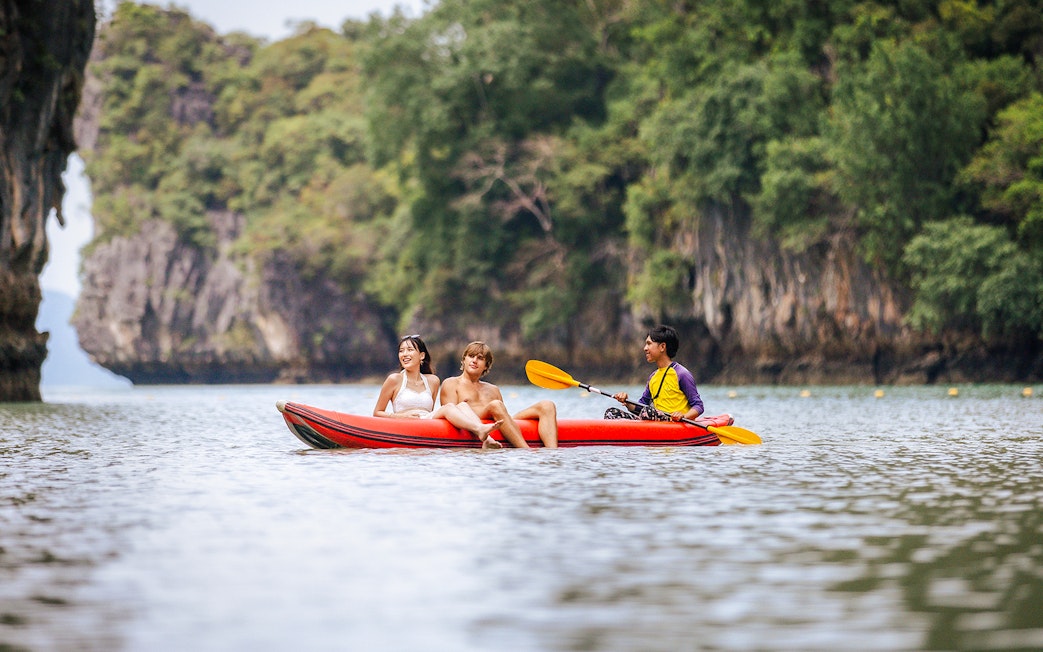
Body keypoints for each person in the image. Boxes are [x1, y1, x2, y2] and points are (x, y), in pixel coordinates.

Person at [373, 335, 503, 449]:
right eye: (401, 351)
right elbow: (377, 413)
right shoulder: (394, 379)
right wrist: (401, 416)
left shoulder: (433, 381)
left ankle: (487, 438)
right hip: (403, 423)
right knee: (449, 407)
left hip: (426, 422)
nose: (404, 354)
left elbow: (430, 411)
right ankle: (480, 430)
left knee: (462, 405)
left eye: (410, 350)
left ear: (422, 356)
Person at [439, 341, 559, 448]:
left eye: (480, 358)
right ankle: (525, 450)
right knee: (495, 405)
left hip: (497, 422)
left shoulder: (493, 389)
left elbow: (503, 418)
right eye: (471, 356)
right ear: (464, 360)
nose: (474, 360)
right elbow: (451, 414)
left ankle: (553, 453)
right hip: (475, 424)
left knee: (547, 405)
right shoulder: (451, 383)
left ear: (486, 365)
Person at [607, 324, 704, 421]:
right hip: (655, 424)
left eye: (649, 344)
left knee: (648, 412)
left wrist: (683, 416)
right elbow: (640, 408)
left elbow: (698, 406)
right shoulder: (653, 377)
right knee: (611, 413)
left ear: (662, 347)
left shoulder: (681, 374)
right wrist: (626, 401)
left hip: (676, 425)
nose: (645, 348)